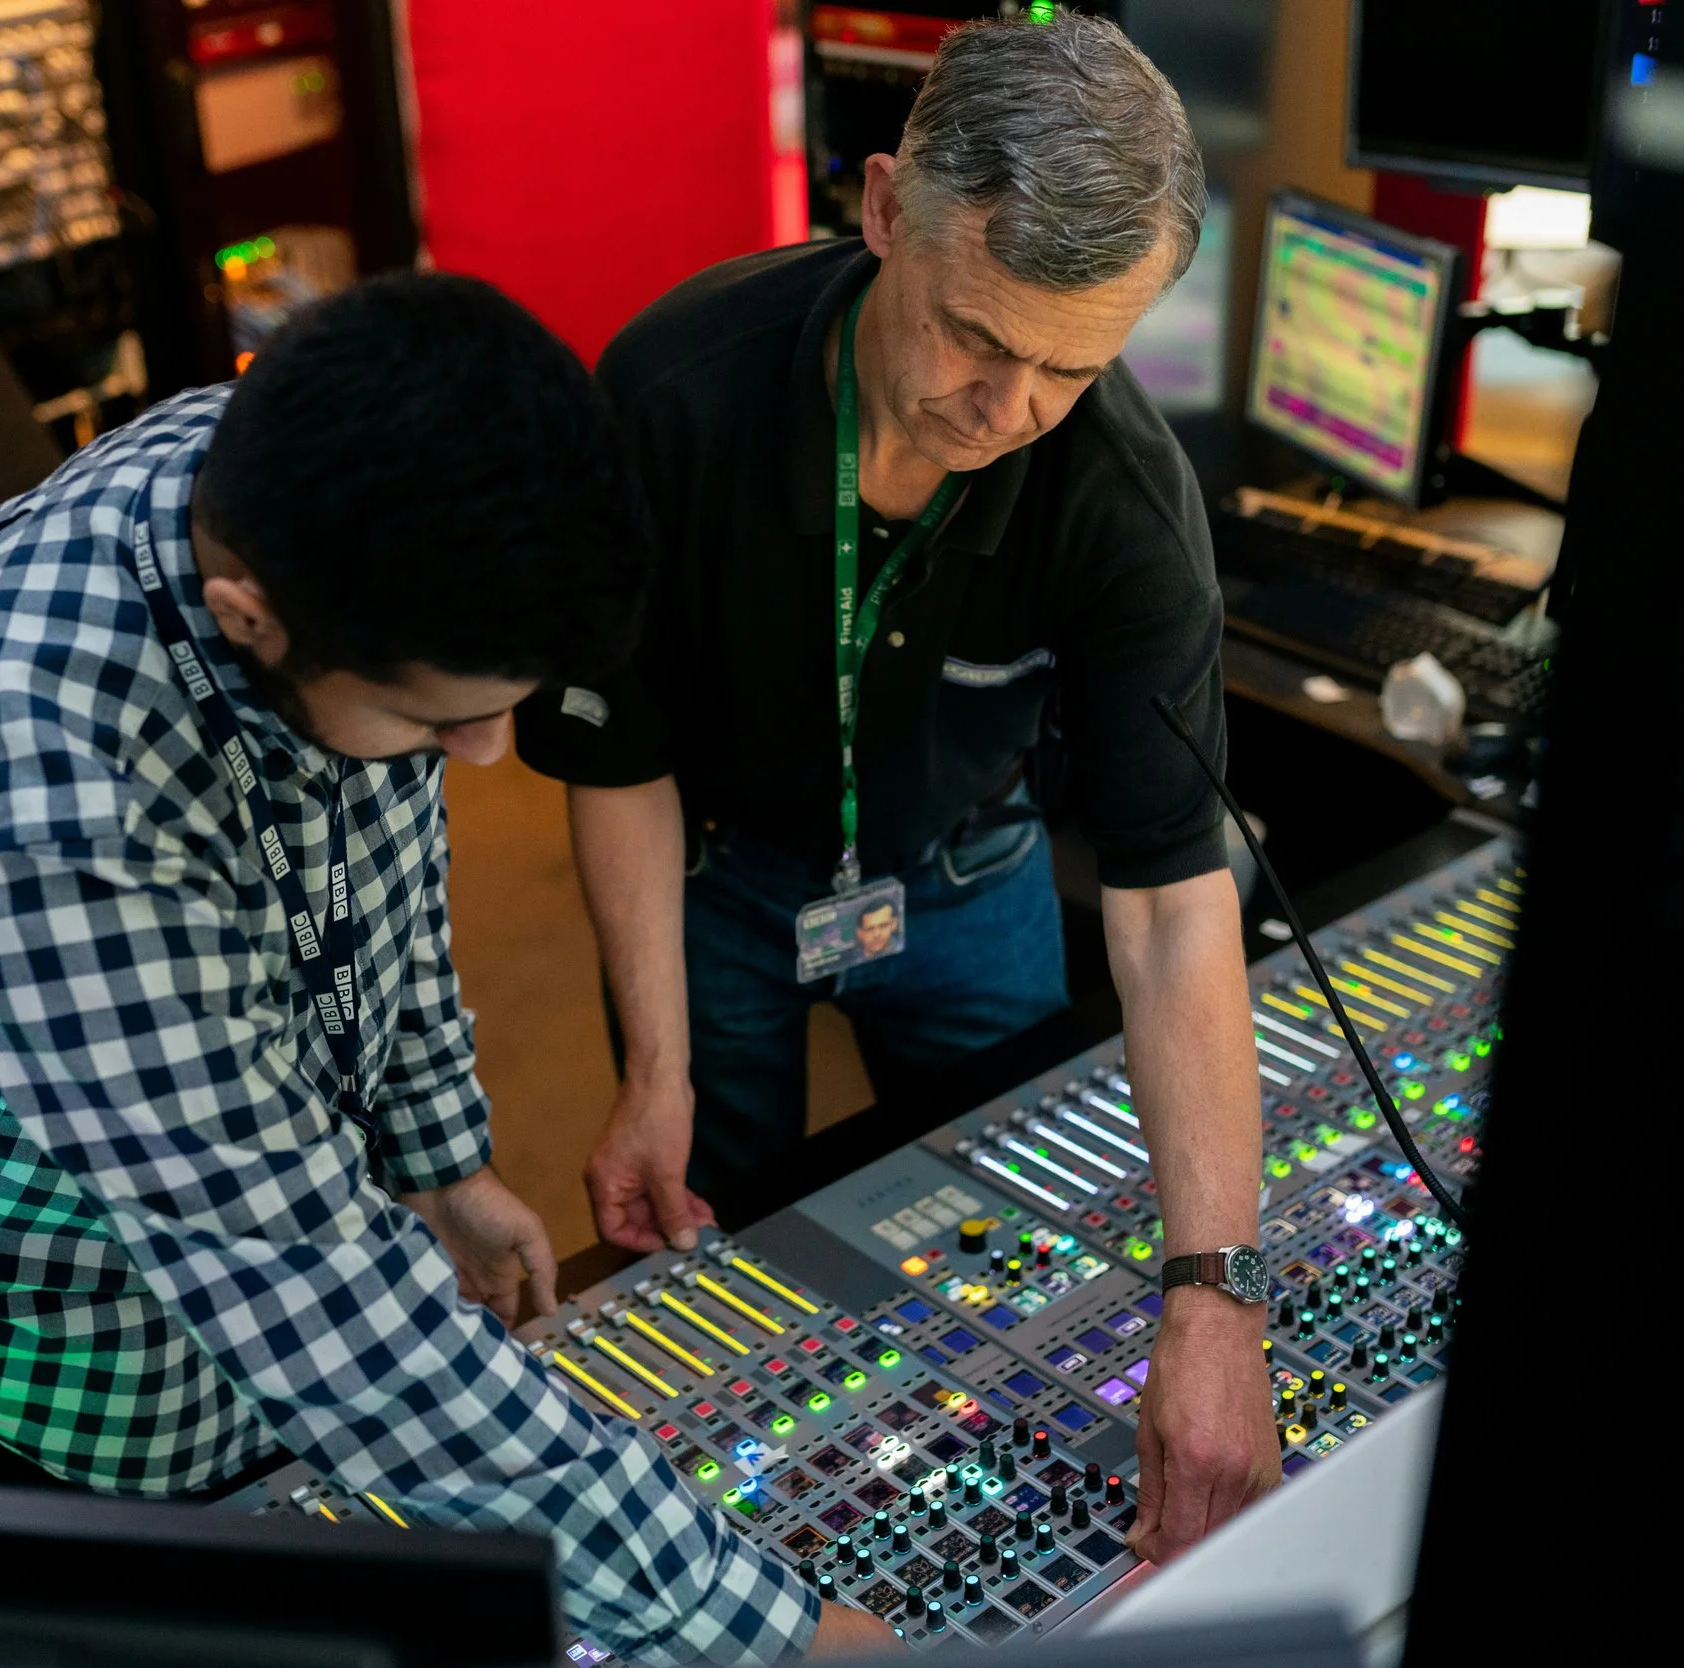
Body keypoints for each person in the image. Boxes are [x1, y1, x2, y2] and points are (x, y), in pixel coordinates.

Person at [0, 273, 891, 1662]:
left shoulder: (285, 480)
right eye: (451, 719)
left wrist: (437, 1159)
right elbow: (307, 1292)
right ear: (250, 620)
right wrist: (775, 1637)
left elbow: (374, 864)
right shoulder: (51, 806)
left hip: (249, 1205)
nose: (491, 760)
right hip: (60, 1340)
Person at [515, 14, 1280, 1565]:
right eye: (976, 338)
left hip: (972, 871)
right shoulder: (670, 392)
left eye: (1073, 366)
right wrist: (649, 1065)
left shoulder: (1125, 497)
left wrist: (1215, 1291)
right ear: (880, 211)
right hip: (716, 879)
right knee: (708, 1245)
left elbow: (1172, 902)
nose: (1008, 411)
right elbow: (623, 760)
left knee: (1006, 1243)